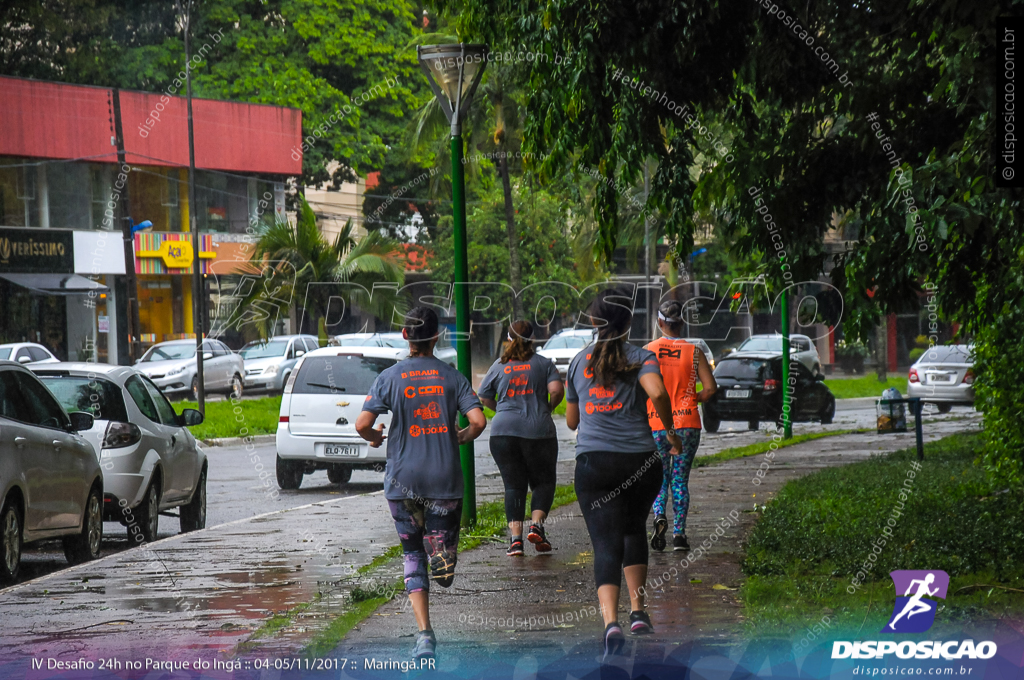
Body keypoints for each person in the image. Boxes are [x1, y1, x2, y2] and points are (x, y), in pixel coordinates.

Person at [355, 307, 487, 660]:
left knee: (412, 554)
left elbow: (362, 424)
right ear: (436, 336)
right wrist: (461, 435)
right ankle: (442, 553)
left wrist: (374, 436)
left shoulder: (389, 377)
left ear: (404, 336)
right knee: (441, 558)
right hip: (444, 479)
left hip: (402, 482)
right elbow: (478, 420)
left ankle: (424, 634)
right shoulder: (451, 376)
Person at [565, 288, 682, 658]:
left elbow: (571, 422)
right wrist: (670, 432)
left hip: (594, 465)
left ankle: (610, 623)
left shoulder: (577, 361)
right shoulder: (642, 357)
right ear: (629, 322)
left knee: (604, 542)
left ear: (594, 323)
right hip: (640, 462)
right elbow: (659, 394)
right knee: (634, 529)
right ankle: (638, 612)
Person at [478, 320, 564, 556]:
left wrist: (503, 410)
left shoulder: (498, 365)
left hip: (503, 433)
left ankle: (516, 541)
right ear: (532, 339)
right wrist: (547, 407)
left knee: (513, 486)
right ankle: (536, 525)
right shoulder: (544, 364)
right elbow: (557, 390)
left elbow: (483, 397)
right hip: (539, 432)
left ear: (508, 338)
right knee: (543, 481)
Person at [645, 300, 717, 552]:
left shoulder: (648, 350)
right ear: (682, 322)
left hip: (655, 424)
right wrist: (691, 398)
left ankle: (658, 517)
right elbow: (710, 388)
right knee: (680, 480)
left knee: (659, 479)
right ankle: (679, 535)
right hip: (687, 423)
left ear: (660, 322)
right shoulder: (694, 352)